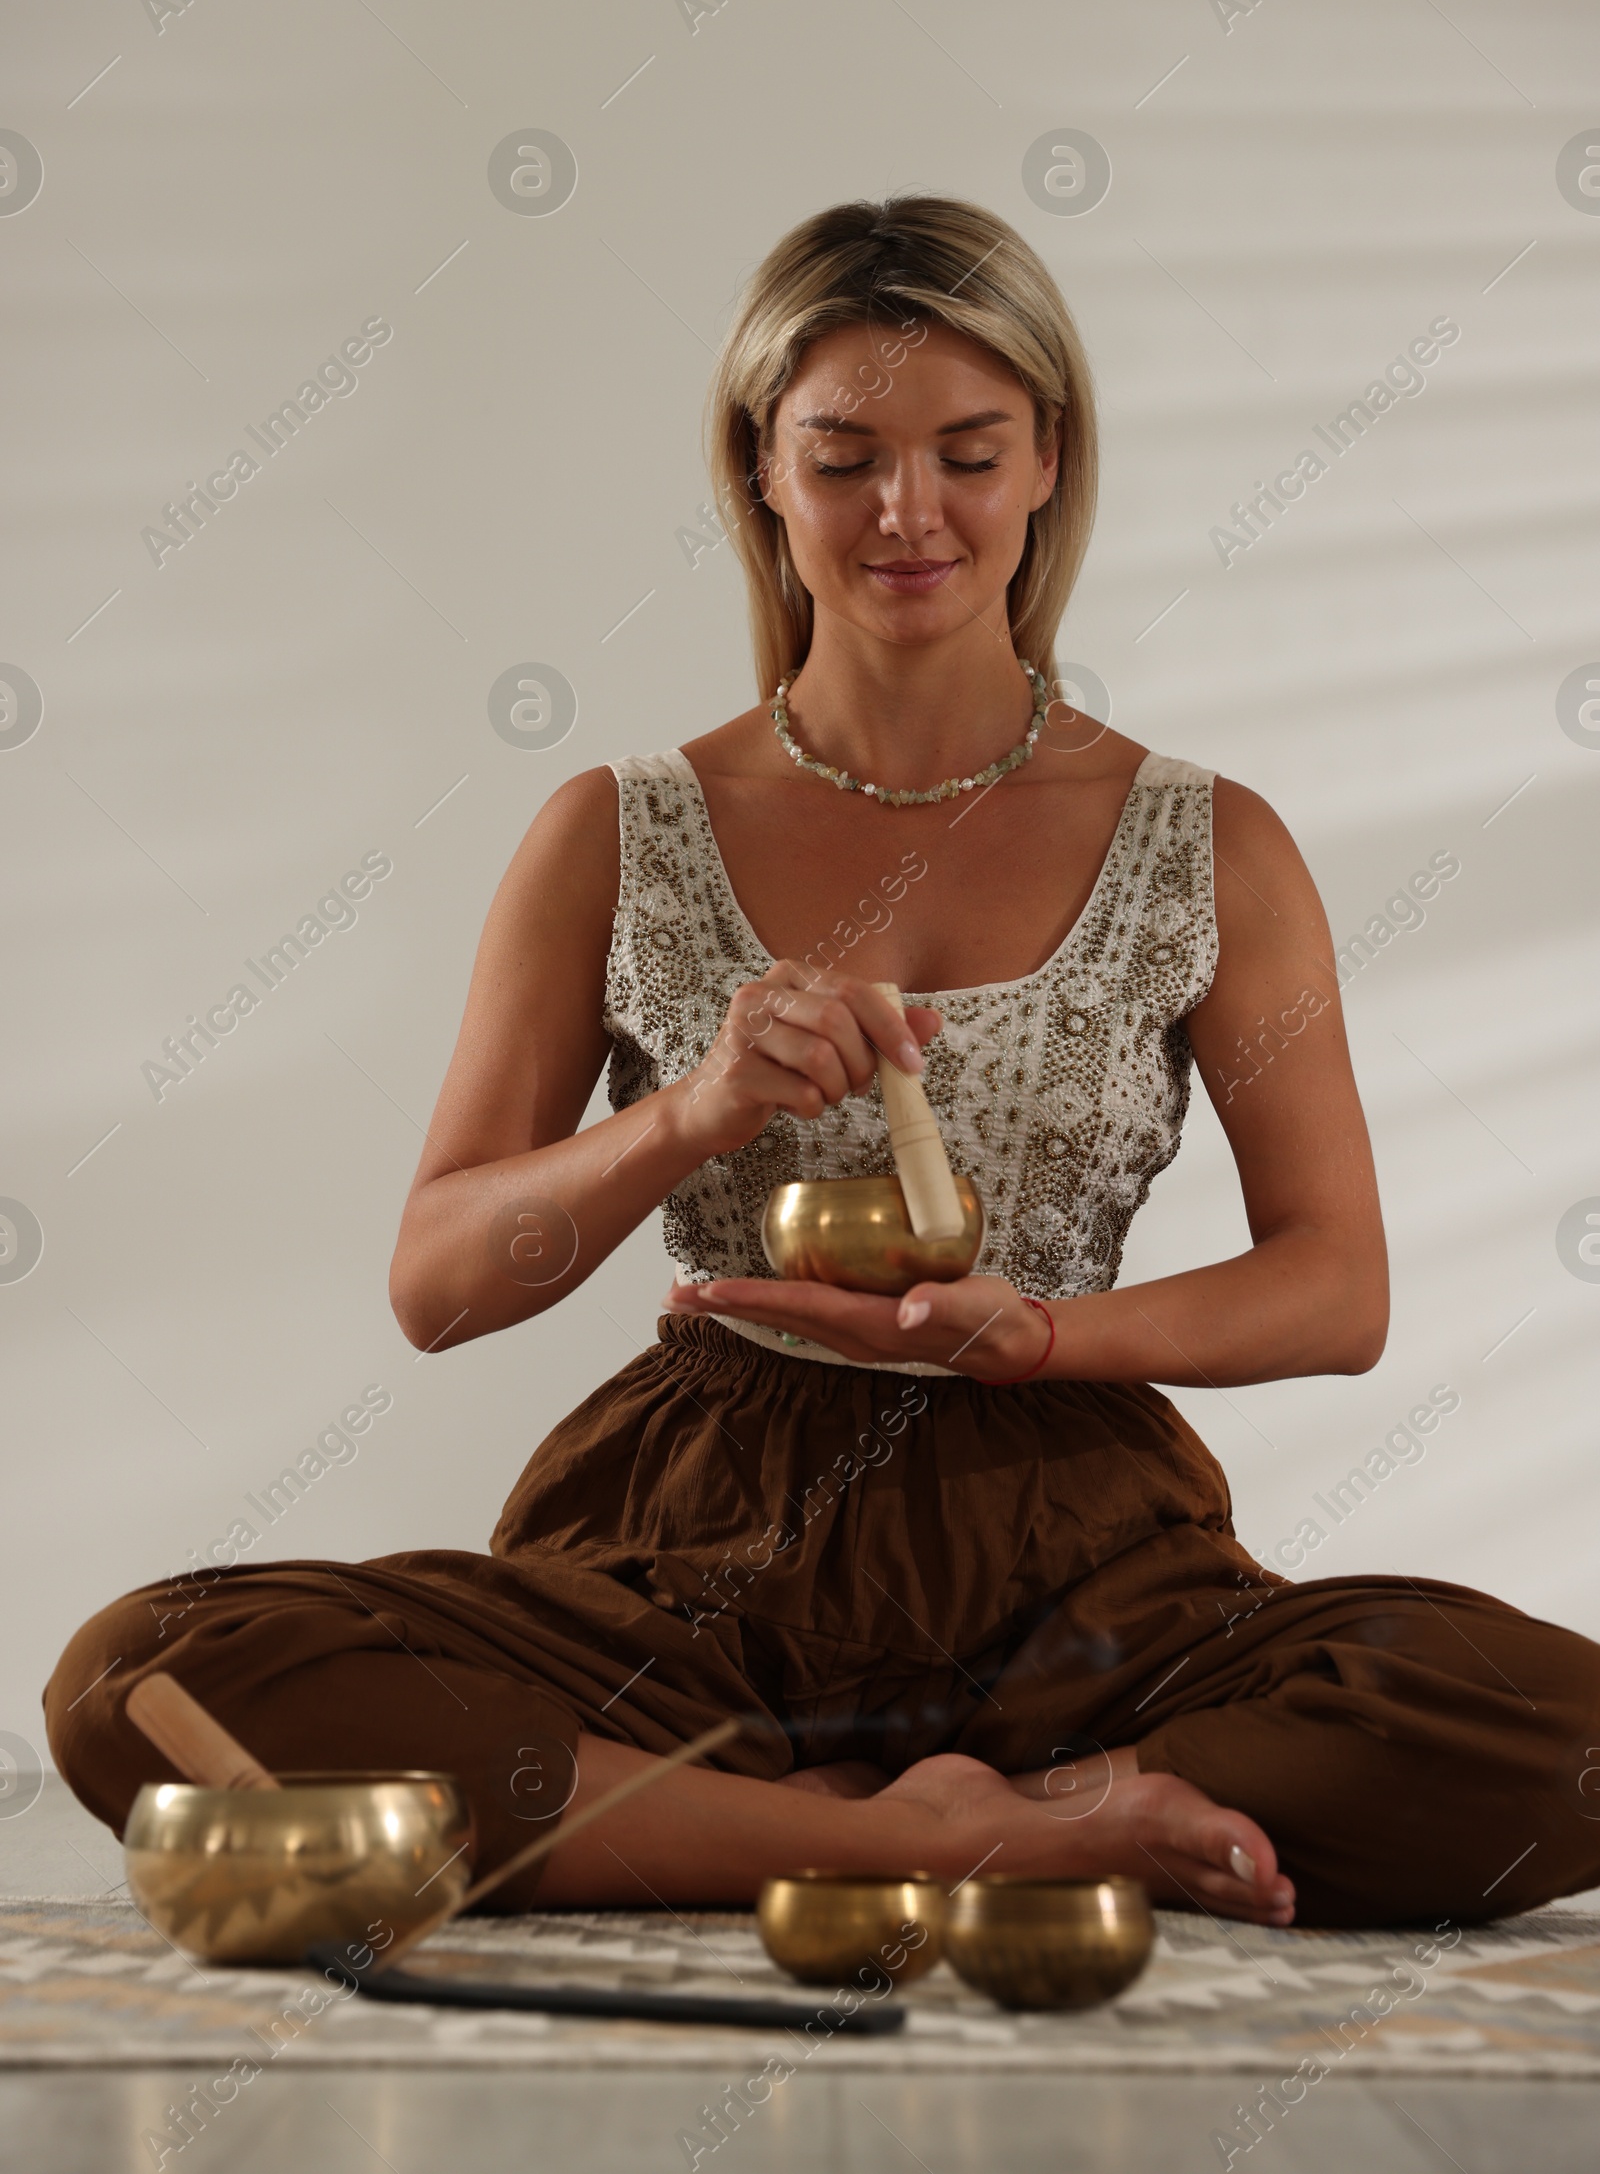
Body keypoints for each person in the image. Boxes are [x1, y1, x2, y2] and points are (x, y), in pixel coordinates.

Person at [46, 196, 1600, 1930]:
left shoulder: (1209, 841)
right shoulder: (614, 830)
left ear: (1047, 464)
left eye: (967, 452)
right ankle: (946, 1842)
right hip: (693, 1546)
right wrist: (687, 1115)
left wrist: (1044, 1338)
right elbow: (437, 1282)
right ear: (764, 472)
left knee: (1570, 1732)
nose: (909, 513)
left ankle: (813, 1819)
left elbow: (1338, 1286)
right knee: (152, 1672)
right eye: (846, 457)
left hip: (1077, 1555)